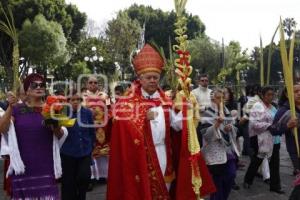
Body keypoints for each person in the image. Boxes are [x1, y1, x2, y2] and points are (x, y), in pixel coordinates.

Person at [107, 44, 215, 199]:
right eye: (148, 77)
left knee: (164, 190)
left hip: (163, 153)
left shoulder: (165, 100)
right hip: (140, 157)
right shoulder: (128, 101)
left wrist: (186, 111)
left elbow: (176, 125)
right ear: (140, 79)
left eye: (155, 77)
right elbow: (119, 120)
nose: (152, 80)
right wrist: (142, 118)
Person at [0, 73, 67, 199]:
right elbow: (2, 128)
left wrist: (55, 126)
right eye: (34, 85)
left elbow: (59, 135)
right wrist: (10, 107)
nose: (39, 87)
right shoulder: (17, 109)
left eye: (42, 85)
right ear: (27, 90)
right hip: (23, 166)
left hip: (45, 165)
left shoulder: (52, 108)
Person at [200, 88, 239, 200]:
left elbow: (236, 129)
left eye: (222, 98)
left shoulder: (227, 111)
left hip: (228, 150)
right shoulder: (206, 113)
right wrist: (217, 124)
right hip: (214, 152)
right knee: (217, 182)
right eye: (217, 98)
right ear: (212, 99)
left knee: (231, 175)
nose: (220, 100)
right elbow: (206, 135)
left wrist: (230, 128)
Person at [60, 89, 96, 200]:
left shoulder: (88, 113)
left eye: (78, 99)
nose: (75, 102)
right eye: (72, 99)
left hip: (84, 151)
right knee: (68, 183)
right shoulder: (62, 113)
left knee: (84, 178)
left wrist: (91, 148)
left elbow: (91, 132)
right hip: (68, 153)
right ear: (68, 101)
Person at [243, 87, 280, 192]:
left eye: (272, 95)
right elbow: (254, 124)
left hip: (274, 138)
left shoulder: (273, 107)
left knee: (275, 164)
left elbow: (277, 120)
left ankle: (275, 186)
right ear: (262, 95)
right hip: (260, 139)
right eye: (268, 95)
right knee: (257, 161)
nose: (271, 97)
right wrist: (268, 126)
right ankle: (248, 180)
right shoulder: (257, 106)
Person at [82, 76, 110, 187]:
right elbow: (80, 112)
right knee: (90, 154)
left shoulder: (104, 96)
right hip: (89, 129)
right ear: (87, 84)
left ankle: (103, 176)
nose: (93, 84)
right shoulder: (82, 97)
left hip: (103, 129)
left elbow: (110, 110)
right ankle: (92, 178)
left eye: (95, 82)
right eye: (90, 82)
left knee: (102, 154)